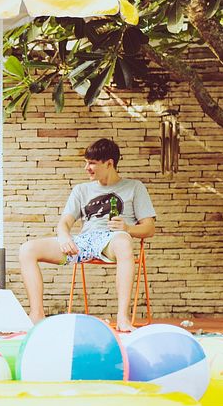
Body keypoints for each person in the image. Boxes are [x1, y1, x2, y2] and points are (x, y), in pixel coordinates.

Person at [19, 138, 156, 332]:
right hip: (83, 241)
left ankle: (123, 318)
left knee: (124, 241)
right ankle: (37, 315)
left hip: (113, 240)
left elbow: (149, 228)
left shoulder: (134, 187)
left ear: (109, 163)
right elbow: (65, 222)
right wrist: (65, 236)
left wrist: (127, 228)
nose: (86, 167)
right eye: (86, 162)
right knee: (27, 249)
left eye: (92, 163)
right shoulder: (81, 189)